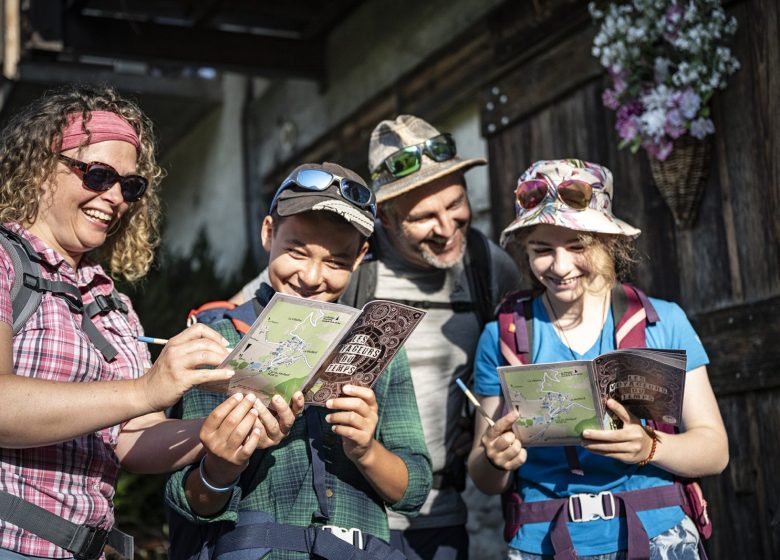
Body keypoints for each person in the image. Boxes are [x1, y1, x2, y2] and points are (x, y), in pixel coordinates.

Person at [229, 116, 521, 560]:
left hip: (441, 508)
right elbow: (244, 313)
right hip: (354, 507)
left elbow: (509, 342)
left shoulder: (486, 264)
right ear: (383, 218)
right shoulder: (342, 266)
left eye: (456, 205)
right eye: (423, 217)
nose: (446, 227)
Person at [0, 85, 265, 560]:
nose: (115, 197)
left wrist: (220, 426)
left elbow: (132, 442)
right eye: (98, 174)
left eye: (130, 185)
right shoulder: (4, 260)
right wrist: (144, 388)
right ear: (42, 166)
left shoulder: (113, 302)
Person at [165, 162, 431, 560]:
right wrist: (222, 466)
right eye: (296, 251)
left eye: (337, 261)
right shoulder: (216, 340)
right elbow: (190, 500)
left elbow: (414, 490)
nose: (311, 276)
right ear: (268, 232)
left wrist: (365, 450)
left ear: (360, 257)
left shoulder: (379, 346)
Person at [467, 159, 729, 559]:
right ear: (524, 250)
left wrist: (649, 448)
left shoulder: (664, 322)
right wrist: (495, 458)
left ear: (607, 241)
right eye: (542, 250)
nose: (560, 266)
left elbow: (714, 450)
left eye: (578, 247)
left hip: (658, 533)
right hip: (542, 541)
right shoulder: (503, 335)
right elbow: (485, 476)